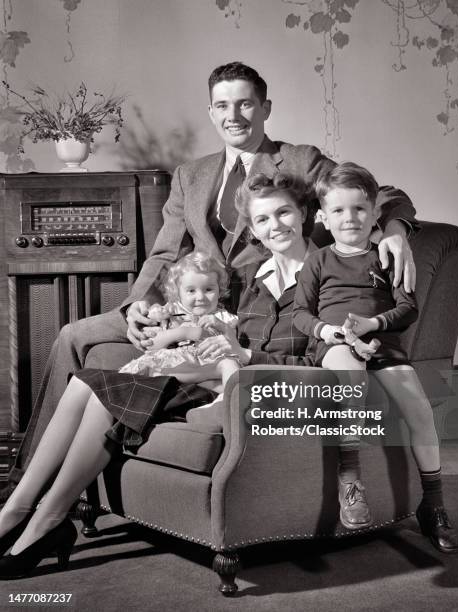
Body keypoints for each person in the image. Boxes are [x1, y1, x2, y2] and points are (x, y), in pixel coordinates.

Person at [1, 61, 417, 501]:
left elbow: (378, 193)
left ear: (265, 108)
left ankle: (38, 498)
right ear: (211, 111)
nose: (233, 115)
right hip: (191, 301)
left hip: (251, 308)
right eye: (223, 105)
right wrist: (137, 306)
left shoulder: (300, 160)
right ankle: (23, 482)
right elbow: (165, 252)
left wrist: (396, 229)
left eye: (244, 104)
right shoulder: (191, 175)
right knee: (72, 334)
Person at [0, 172, 324, 578]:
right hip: (202, 372)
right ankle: (20, 508)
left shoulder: (326, 277)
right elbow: (204, 317)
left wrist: (242, 352)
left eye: (284, 213)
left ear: (306, 213)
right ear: (254, 229)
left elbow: (322, 367)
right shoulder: (252, 278)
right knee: (86, 379)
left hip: (248, 385)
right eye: (263, 219)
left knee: (106, 396)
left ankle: (47, 520)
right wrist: (155, 318)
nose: (275, 226)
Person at [293, 162, 458, 553]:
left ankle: (433, 505)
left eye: (358, 209)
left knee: (419, 408)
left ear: (374, 213)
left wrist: (373, 323)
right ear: (323, 217)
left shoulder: (385, 257)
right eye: (338, 211)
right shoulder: (318, 260)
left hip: (383, 343)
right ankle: (350, 481)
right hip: (334, 344)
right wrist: (334, 333)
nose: (349, 218)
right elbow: (302, 313)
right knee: (353, 379)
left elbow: (408, 309)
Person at [118, 251, 240, 389]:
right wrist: (184, 333)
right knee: (148, 371)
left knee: (226, 375)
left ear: (220, 289)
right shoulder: (171, 311)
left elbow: (232, 345)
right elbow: (150, 345)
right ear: (178, 292)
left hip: (208, 367)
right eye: (191, 291)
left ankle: (230, 400)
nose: (200, 297)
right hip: (173, 367)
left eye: (208, 289)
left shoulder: (222, 317)